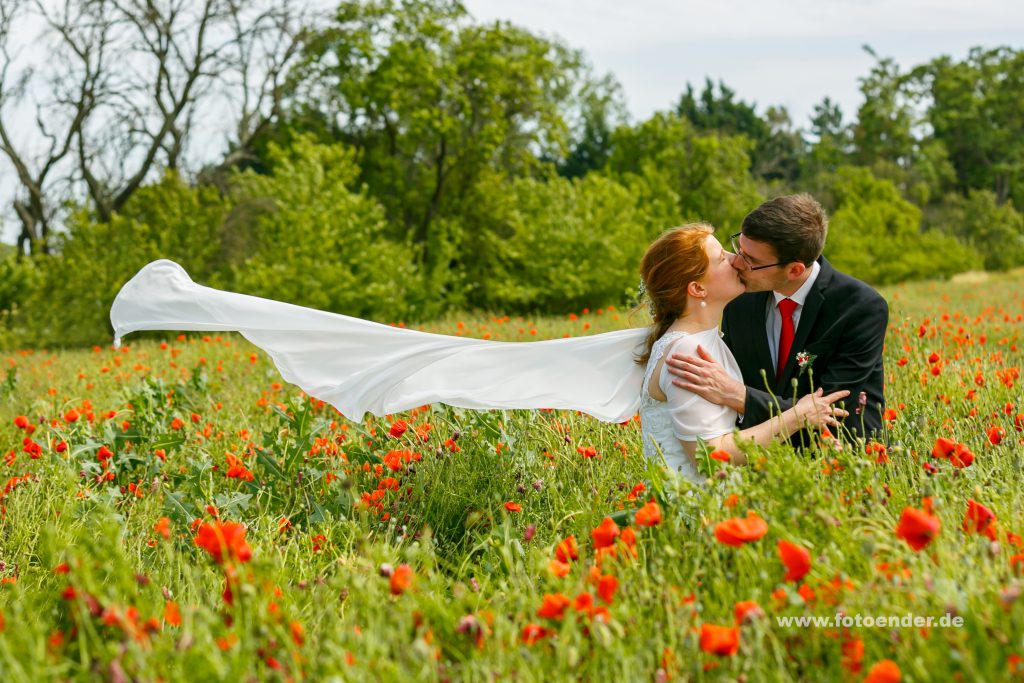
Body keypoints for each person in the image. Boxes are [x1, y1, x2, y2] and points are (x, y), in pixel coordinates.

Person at [664, 194, 888, 445]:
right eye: (740, 248)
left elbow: (827, 409)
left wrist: (739, 396)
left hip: (844, 461)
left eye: (751, 261)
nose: (737, 262)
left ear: (794, 270)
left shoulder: (860, 307)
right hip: (760, 460)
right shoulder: (738, 300)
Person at [635, 223, 848, 483]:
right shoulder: (687, 352)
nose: (736, 259)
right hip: (695, 511)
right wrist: (797, 416)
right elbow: (709, 458)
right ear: (697, 289)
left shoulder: (704, 338)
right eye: (721, 258)